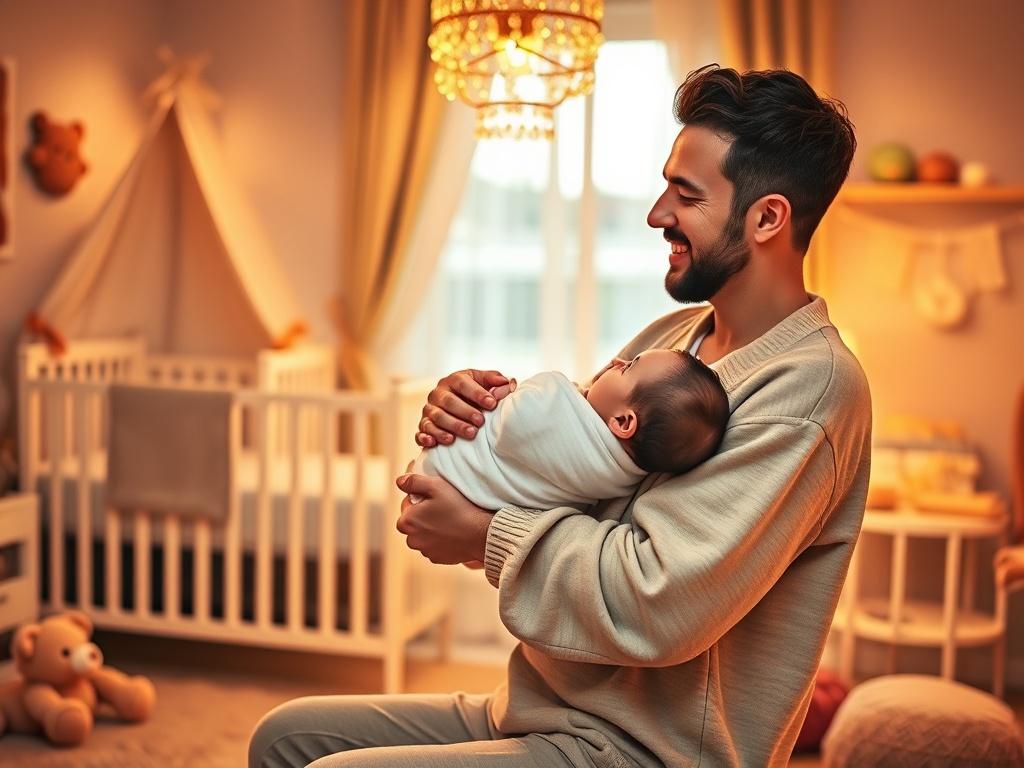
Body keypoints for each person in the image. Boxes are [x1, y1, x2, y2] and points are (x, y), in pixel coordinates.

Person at [249, 64, 870, 768]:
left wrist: (487, 535)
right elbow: (556, 457)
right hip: (537, 707)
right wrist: (469, 412)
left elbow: (655, 602)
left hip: (643, 751)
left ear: (766, 218)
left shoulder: (810, 390)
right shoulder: (673, 340)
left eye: (685, 194)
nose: (656, 213)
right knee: (285, 737)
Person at [409, 349, 729, 516]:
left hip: (447, 472)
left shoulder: (557, 407)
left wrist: (557, 388)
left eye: (628, 367)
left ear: (623, 423)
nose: (617, 360)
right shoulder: (619, 477)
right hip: (457, 495)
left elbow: (519, 417)